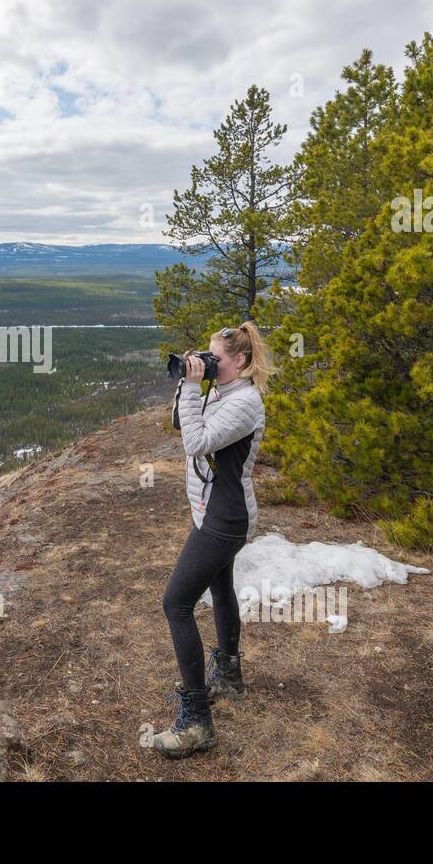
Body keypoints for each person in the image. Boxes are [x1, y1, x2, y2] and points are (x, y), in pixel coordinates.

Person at [151, 321, 273, 759]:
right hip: (214, 515)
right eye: (206, 355)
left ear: (239, 361)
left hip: (224, 520)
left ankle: (197, 721)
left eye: (215, 358)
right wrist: (192, 384)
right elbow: (177, 423)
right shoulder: (224, 392)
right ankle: (229, 675)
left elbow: (195, 442)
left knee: (176, 603)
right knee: (221, 591)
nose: (207, 363)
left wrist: (191, 388)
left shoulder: (245, 403)